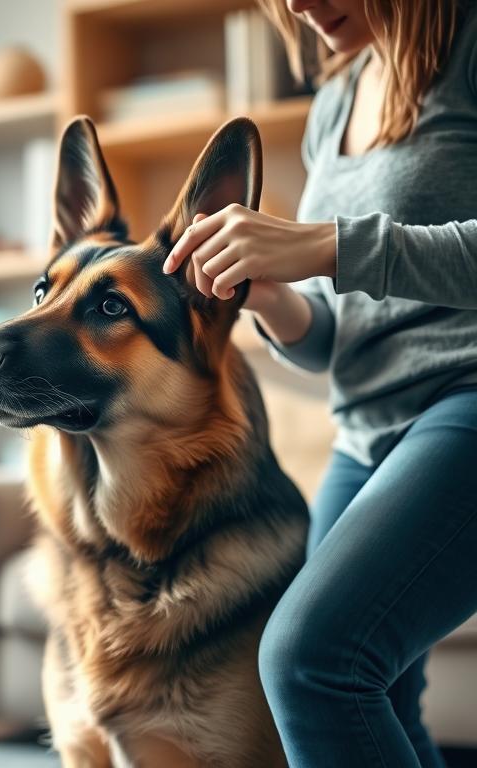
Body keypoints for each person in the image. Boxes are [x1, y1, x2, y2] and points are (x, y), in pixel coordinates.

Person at [162, 0, 477, 765]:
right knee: (384, 700)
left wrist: (323, 244)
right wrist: (266, 291)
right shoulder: (334, 100)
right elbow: (334, 337)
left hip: (462, 404)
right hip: (366, 432)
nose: (299, 5)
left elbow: (346, 255)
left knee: (310, 660)